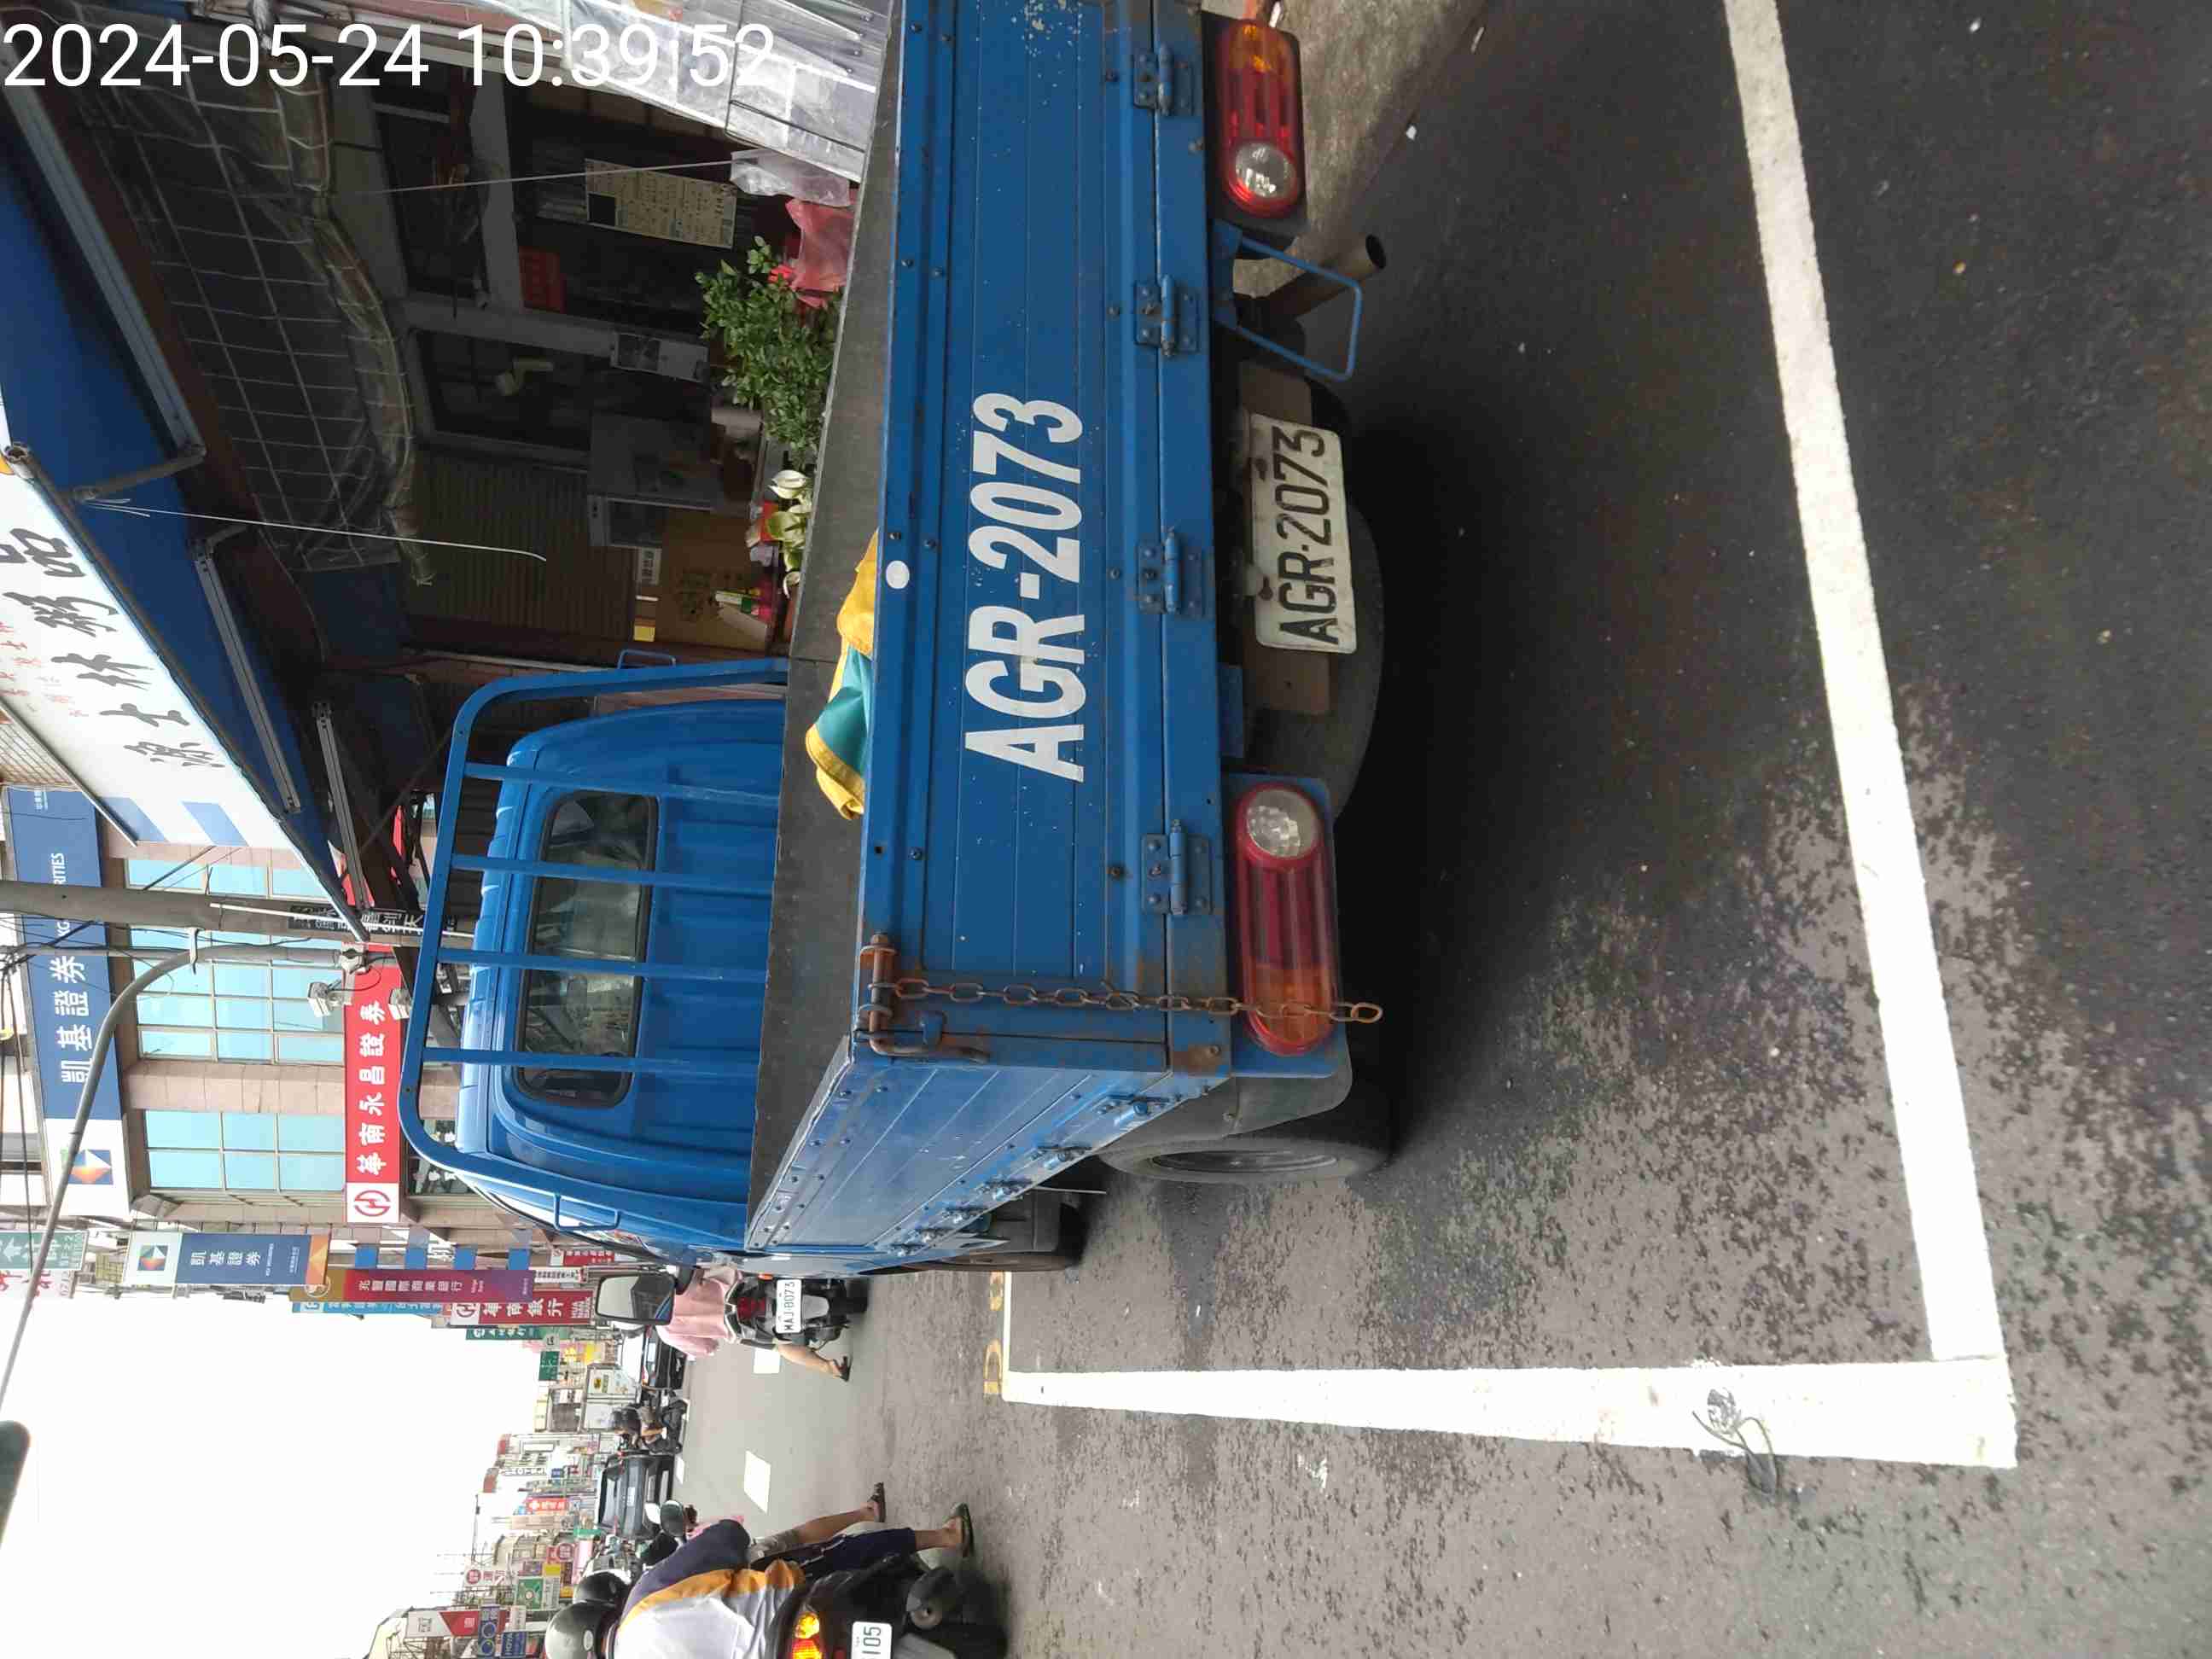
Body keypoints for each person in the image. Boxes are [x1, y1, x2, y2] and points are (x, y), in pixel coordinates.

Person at [545, 1490, 972, 1659]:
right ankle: (947, 1536)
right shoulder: (645, 1596)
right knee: (851, 1552)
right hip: (787, 1601)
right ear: (601, 1611)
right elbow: (729, 1537)